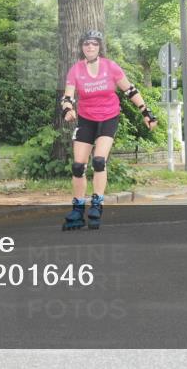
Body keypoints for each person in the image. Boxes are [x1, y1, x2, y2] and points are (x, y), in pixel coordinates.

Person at [60, 30, 156, 231]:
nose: (90, 47)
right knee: (78, 166)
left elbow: (130, 90)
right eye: (86, 44)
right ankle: (77, 209)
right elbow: (68, 95)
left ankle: (97, 204)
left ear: (99, 47)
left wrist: (146, 112)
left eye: (94, 44)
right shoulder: (76, 70)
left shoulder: (110, 67)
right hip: (86, 119)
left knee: (99, 161)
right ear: (82, 47)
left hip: (108, 117)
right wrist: (68, 109)